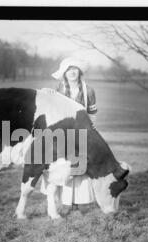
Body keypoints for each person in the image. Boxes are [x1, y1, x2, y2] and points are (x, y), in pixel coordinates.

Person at [40, 57, 98, 213]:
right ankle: (65, 203)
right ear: (64, 73)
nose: (72, 72)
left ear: (79, 72)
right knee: (63, 168)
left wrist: (90, 132)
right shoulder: (58, 89)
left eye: (75, 69)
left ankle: (80, 202)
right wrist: (47, 93)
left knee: (80, 168)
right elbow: (49, 106)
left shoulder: (88, 91)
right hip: (62, 134)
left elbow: (92, 114)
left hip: (81, 133)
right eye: (69, 69)